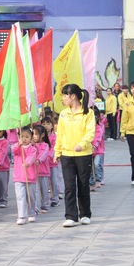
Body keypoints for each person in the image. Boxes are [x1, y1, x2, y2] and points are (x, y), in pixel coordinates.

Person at [54, 83, 95, 228]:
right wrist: (57, 152)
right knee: (69, 186)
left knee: (83, 185)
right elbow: (60, 134)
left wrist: (82, 144)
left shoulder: (87, 113)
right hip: (66, 154)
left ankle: (85, 214)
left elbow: (90, 132)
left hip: (83, 154)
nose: (63, 98)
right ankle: (70, 216)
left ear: (73, 96)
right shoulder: (64, 114)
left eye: (65, 95)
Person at [12, 127, 38, 225]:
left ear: (31, 138)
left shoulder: (33, 149)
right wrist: (18, 144)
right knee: (20, 196)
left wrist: (27, 163)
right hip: (18, 176)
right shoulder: (18, 147)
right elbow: (13, 150)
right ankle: (21, 216)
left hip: (30, 177)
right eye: (22, 137)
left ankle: (31, 213)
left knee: (30, 196)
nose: (24, 139)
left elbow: (31, 157)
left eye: (27, 137)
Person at [41, 116, 63, 207]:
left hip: (52, 162)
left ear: (52, 126)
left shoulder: (54, 136)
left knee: (54, 181)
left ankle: (55, 198)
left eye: (48, 124)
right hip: (43, 164)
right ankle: (45, 199)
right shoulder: (40, 137)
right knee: (45, 182)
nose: (46, 126)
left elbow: (54, 147)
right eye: (44, 124)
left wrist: (48, 155)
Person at [33, 124, 51, 214]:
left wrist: (38, 160)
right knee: (35, 190)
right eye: (33, 134)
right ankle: (35, 207)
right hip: (34, 172)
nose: (34, 136)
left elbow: (43, 154)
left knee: (44, 189)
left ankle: (45, 205)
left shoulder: (45, 145)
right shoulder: (32, 145)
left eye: (36, 134)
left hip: (43, 171)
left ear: (42, 135)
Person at [89, 108, 105, 190]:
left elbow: (98, 138)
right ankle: (91, 182)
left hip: (98, 150)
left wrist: (94, 145)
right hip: (88, 150)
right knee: (90, 166)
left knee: (96, 164)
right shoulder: (87, 128)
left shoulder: (99, 127)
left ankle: (99, 179)